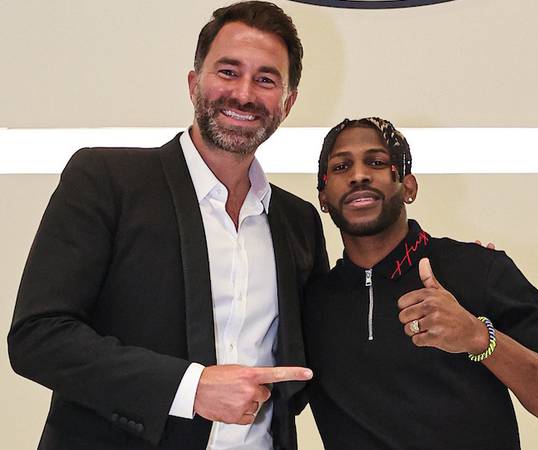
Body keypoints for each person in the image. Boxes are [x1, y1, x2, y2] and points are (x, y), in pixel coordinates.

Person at [7, 2, 329, 449]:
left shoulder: (298, 221)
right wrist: (190, 388)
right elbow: (38, 338)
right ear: (194, 83)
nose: (244, 94)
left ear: (288, 103)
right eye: (228, 72)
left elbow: (330, 348)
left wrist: (433, 321)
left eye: (265, 79)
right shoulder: (105, 180)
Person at [303, 117, 538, 450]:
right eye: (341, 167)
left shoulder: (479, 269)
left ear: (409, 187)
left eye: (377, 162)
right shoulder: (312, 304)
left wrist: (478, 337)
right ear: (323, 197)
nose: (359, 175)